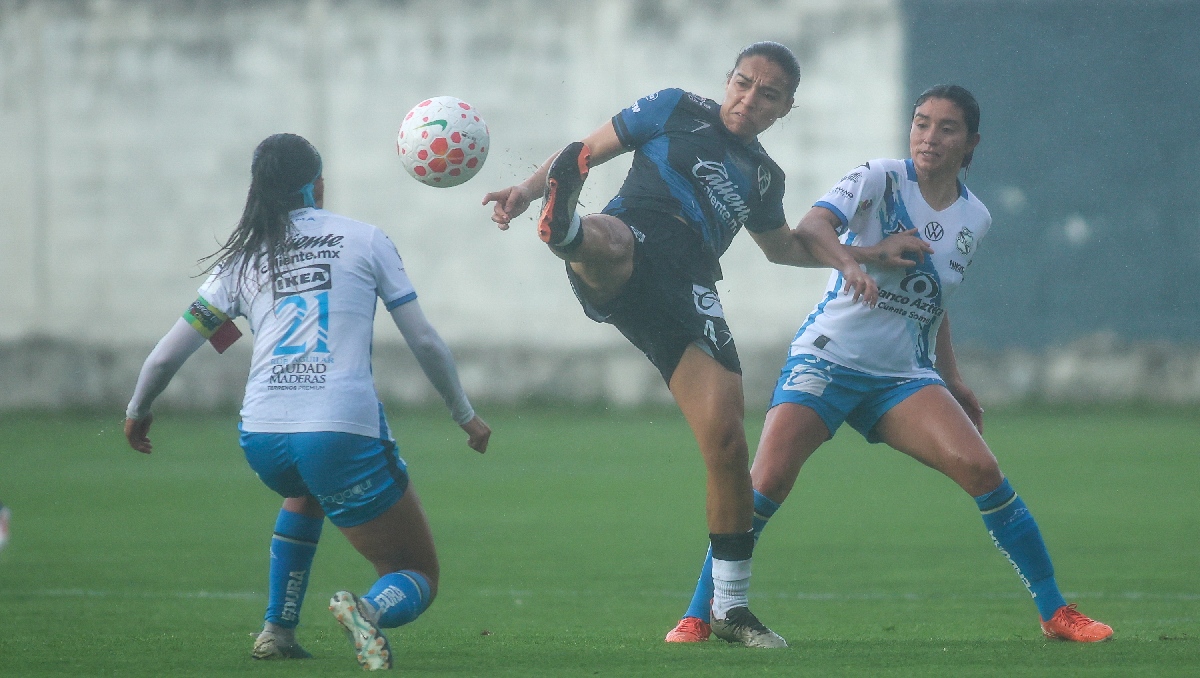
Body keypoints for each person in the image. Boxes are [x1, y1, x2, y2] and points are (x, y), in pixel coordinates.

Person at [483, 42, 926, 648]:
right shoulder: (673, 107)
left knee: (726, 440)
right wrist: (529, 191)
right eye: (742, 84)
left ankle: (730, 609)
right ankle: (565, 229)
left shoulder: (766, 176)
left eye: (767, 94)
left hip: (690, 287)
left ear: (785, 107)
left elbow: (781, 247)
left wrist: (867, 254)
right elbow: (584, 152)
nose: (748, 99)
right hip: (635, 238)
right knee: (610, 240)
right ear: (729, 80)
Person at [665, 85, 1113, 644]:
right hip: (827, 360)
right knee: (765, 483)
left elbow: (936, 302)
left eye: (946, 128)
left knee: (982, 471)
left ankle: (1055, 612)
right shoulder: (881, 178)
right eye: (922, 123)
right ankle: (696, 614)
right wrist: (859, 262)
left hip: (902, 376)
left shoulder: (976, 217)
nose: (929, 136)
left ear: (971, 142)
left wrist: (953, 378)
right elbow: (811, 228)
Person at [123, 133, 491, 670]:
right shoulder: (364, 240)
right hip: (339, 430)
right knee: (416, 571)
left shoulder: (242, 261)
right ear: (317, 184)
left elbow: (163, 358)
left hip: (263, 437)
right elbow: (425, 341)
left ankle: (276, 631)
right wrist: (465, 414)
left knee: (305, 490)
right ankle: (368, 608)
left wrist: (137, 411)